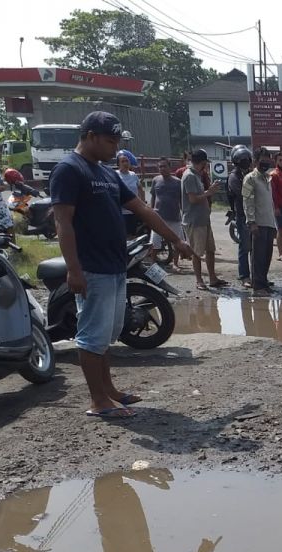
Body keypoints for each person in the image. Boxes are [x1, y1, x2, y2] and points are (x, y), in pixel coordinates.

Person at [50, 111, 191, 418]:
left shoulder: (106, 173)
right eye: (111, 142)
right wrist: (74, 269)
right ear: (90, 137)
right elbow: (63, 223)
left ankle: (109, 391)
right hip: (91, 267)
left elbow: (142, 208)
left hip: (115, 266)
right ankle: (98, 401)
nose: (116, 149)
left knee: (106, 334)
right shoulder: (69, 170)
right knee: (91, 335)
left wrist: (175, 240)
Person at [181, 149, 226, 291]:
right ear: (202, 163)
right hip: (194, 221)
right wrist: (209, 192)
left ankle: (212, 278)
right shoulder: (189, 176)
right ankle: (199, 280)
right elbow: (192, 199)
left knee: (210, 250)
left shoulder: (197, 175)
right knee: (197, 252)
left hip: (204, 219)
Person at [242, 147, 277, 294]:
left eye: (268, 160)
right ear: (255, 161)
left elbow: (270, 203)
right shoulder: (250, 178)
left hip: (269, 222)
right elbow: (247, 201)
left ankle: (263, 282)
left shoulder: (268, 178)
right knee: (258, 256)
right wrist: (252, 222)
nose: (266, 163)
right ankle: (258, 286)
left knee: (267, 255)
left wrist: (274, 224)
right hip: (258, 223)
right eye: (263, 160)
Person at [148, 157, 184, 269]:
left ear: (170, 167)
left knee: (177, 242)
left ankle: (175, 264)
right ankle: (153, 264)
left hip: (174, 217)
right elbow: (153, 196)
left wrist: (183, 215)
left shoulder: (178, 182)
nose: (162, 168)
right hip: (158, 217)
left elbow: (182, 200)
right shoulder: (155, 180)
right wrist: (151, 211)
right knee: (155, 242)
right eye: (160, 166)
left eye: (164, 166)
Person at [226, 144, 252, 284]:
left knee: (255, 247)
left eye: (247, 158)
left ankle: (257, 276)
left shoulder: (250, 173)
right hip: (242, 215)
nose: (245, 161)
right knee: (245, 246)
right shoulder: (233, 177)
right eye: (242, 159)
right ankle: (244, 276)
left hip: (254, 214)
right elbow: (243, 194)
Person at [115, 150, 145, 235]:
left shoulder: (133, 175)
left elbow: (141, 190)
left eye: (127, 161)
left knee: (133, 234)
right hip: (121, 212)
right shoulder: (115, 175)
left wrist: (143, 205)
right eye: (122, 161)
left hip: (134, 211)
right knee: (122, 234)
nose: (125, 163)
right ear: (118, 164)